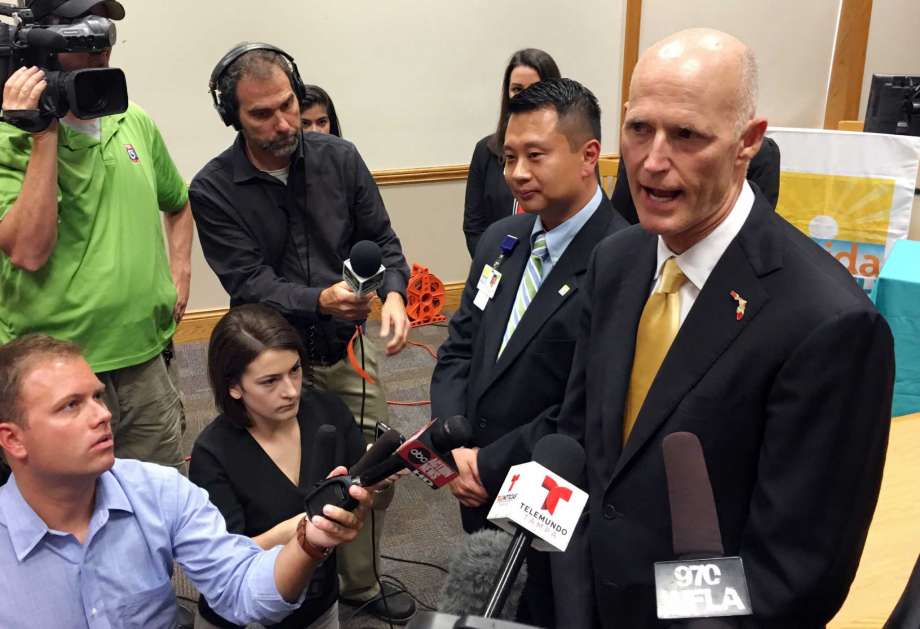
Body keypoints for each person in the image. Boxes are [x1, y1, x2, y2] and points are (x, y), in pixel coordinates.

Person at [551, 28, 895, 627]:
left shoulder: (831, 325)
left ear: (747, 143)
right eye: (639, 130)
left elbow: (793, 575)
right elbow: (582, 440)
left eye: (686, 135)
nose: (653, 161)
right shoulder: (618, 261)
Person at [189, 44, 414, 623]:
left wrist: (392, 292)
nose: (283, 123)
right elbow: (249, 279)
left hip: (344, 350)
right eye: (262, 114)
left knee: (372, 471)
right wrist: (319, 299)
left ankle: (355, 587)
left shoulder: (341, 158)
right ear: (232, 116)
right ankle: (277, 589)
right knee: (281, 487)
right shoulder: (212, 188)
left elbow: (384, 242)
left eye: (288, 105)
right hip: (267, 360)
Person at [0, 334, 372, 629]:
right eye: (71, 405)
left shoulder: (160, 491)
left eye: (97, 397)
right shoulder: (215, 450)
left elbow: (241, 589)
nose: (103, 415)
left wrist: (309, 541)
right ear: (13, 439)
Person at [430, 78, 628, 625]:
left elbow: (585, 406)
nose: (516, 173)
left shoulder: (624, 261)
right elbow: (460, 345)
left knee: (544, 605)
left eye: (535, 155)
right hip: (472, 475)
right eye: (509, 156)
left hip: (550, 485)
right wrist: (454, 441)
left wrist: (489, 464)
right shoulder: (502, 238)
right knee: (489, 593)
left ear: (588, 156)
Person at [0, 0, 192, 470]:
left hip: (145, 364)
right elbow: (28, 249)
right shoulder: (8, 137)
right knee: (63, 519)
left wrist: (178, 273)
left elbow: (178, 203)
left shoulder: (135, 121)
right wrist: (41, 133)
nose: (99, 52)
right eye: (80, 40)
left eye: (103, 37)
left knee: (157, 511)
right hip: (51, 375)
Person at [190, 304, 379, 629]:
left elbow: (359, 493)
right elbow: (226, 560)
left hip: (319, 607)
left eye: (294, 370)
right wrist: (305, 528)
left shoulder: (327, 410)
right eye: (270, 381)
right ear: (233, 387)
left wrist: (377, 481)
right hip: (245, 617)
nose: (291, 391)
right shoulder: (213, 454)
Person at [463, 48, 561, 257]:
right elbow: (474, 226)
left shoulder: (570, 150)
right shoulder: (485, 151)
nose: (525, 97)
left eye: (535, 88)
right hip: (499, 265)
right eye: (517, 89)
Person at [609, 135, 782, 224]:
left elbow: (756, 234)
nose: (653, 164)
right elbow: (623, 215)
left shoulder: (760, 155)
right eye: (640, 126)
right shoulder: (639, 148)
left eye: (686, 133)